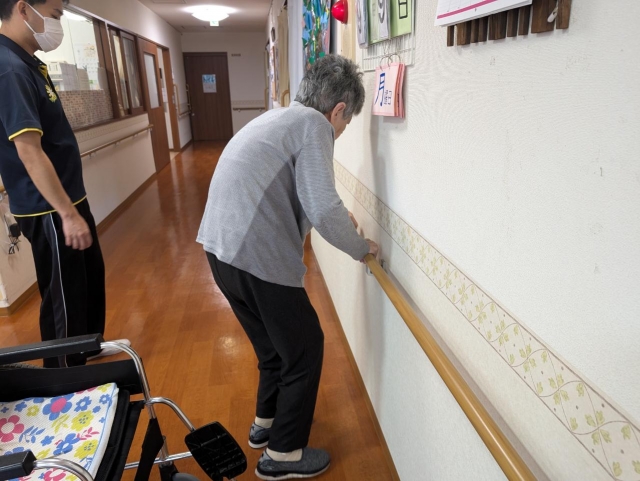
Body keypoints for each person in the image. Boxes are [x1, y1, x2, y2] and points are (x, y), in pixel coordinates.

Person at [197, 54, 378, 480]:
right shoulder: (314, 125)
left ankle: (265, 424)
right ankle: (283, 455)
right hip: (254, 253)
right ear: (338, 110)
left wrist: (335, 215)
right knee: (305, 347)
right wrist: (360, 248)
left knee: (272, 347)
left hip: (220, 249)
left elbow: (297, 191)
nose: (340, 132)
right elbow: (322, 207)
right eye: (345, 124)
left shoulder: (278, 117)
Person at [0, 0, 129, 368]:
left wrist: (73, 208)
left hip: (68, 198)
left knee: (88, 279)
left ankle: (88, 347)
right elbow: (29, 151)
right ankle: (62, 375)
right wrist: (67, 215)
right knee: (63, 295)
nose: (58, 24)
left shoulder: (28, 62)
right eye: (55, 15)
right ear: (24, 9)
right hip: (48, 208)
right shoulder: (9, 69)